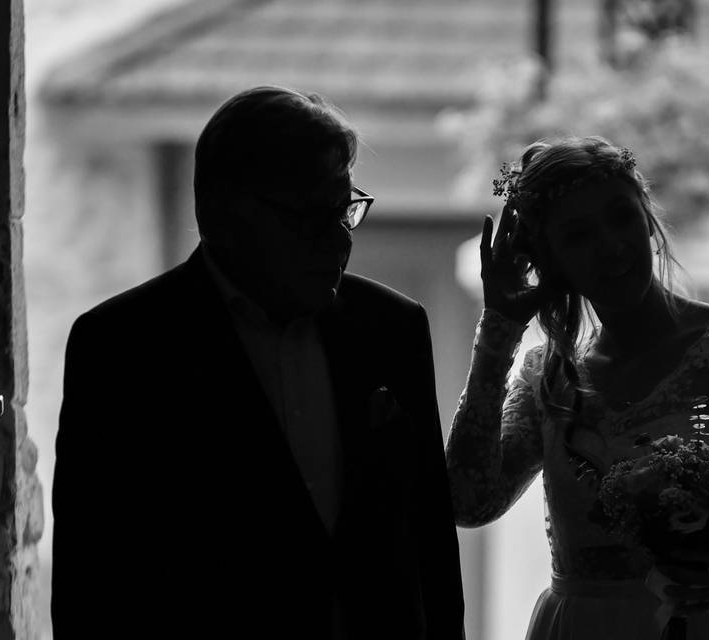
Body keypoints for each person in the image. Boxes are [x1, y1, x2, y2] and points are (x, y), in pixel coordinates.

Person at [52, 86, 465, 639]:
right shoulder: (123, 347)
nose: (338, 242)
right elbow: (93, 578)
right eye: (309, 217)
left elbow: (430, 544)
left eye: (345, 211)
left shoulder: (393, 328)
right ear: (223, 213)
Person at [445, 136, 709, 639]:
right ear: (550, 261)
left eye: (621, 217)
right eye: (578, 235)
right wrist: (498, 331)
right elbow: (468, 502)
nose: (611, 245)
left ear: (649, 220)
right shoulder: (546, 376)